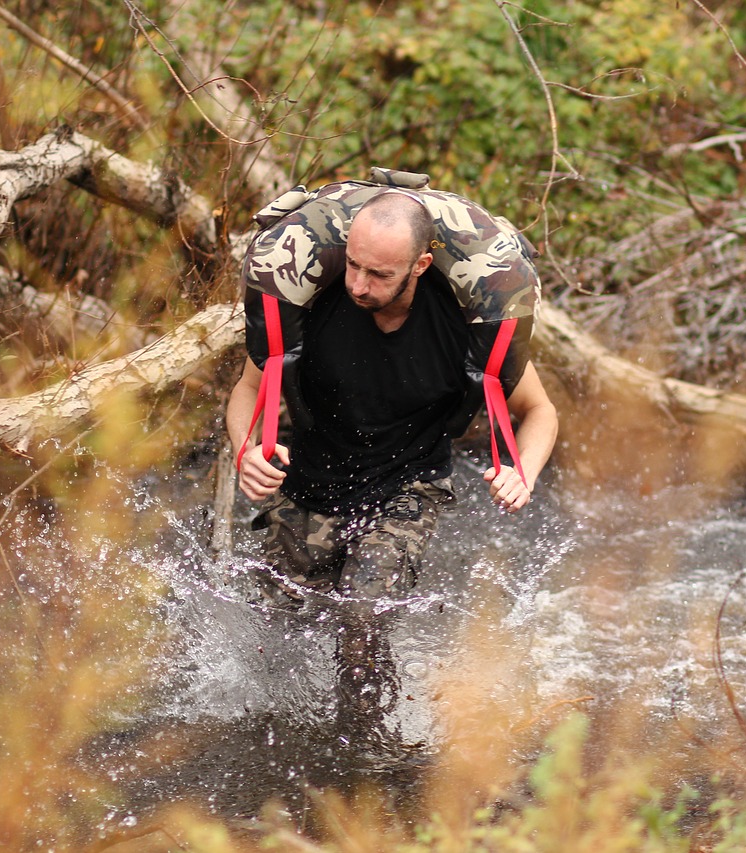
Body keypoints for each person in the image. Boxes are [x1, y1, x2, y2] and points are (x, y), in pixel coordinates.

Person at [225, 191, 558, 751]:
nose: (359, 284)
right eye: (353, 265)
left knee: (361, 623)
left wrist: (522, 471)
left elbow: (539, 412)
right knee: (272, 632)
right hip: (308, 483)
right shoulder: (314, 301)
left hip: (407, 487)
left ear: (420, 265)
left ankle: (367, 753)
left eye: (378, 274)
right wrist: (246, 453)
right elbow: (248, 391)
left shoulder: (461, 326)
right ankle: (275, 747)